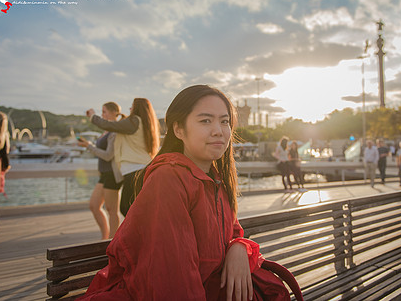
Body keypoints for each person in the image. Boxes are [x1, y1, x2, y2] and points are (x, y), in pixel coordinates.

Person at [78, 85, 291, 300]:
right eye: (205, 120)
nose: (218, 130)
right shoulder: (168, 180)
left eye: (224, 121)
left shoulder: (215, 179)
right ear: (178, 129)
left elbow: (233, 230)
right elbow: (173, 280)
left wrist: (238, 247)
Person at [87, 98, 160, 216]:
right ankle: (142, 233)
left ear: (137, 108)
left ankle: (143, 233)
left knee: (127, 209)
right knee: (134, 209)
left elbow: (111, 125)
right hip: (138, 170)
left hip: (135, 171)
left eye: (132, 106)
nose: (130, 109)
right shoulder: (143, 123)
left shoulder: (134, 121)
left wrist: (92, 116)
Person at [78, 102, 124, 239]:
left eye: (104, 112)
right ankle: (105, 238)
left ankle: (112, 241)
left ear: (114, 112)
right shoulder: (106, 131)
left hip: (112, 175)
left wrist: (89, 146)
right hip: (104, 174)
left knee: (111, 210)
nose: (102, 114)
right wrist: (89, 145)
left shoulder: (115, 131)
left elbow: (108, 155)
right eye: (102, 112)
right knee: (94, 205)